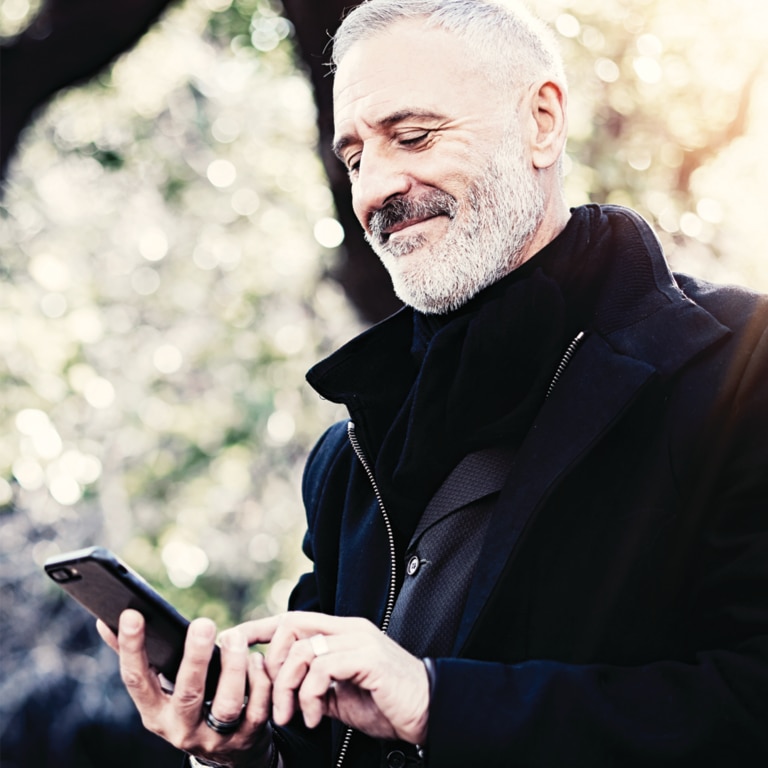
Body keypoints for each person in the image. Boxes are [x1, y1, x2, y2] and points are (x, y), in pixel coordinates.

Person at [97, 1, 768, 766]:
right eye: (354, 159)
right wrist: (242, 749)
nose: (377, 189)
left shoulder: (742, 369)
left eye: (412, 136)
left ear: (543, 121)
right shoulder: (346, 455)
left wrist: (436, 701)